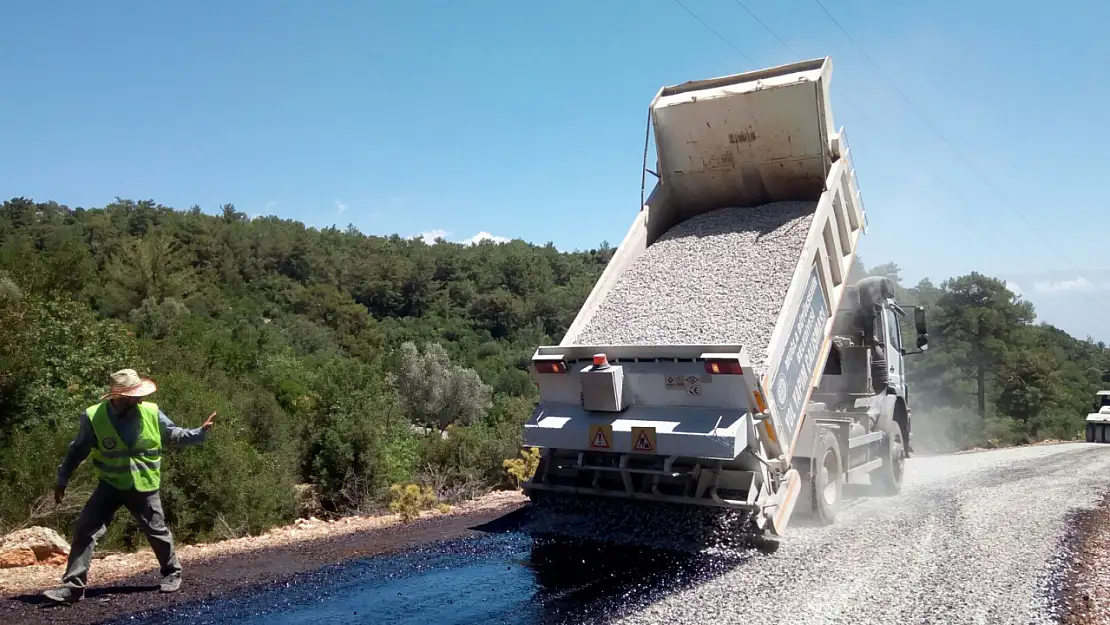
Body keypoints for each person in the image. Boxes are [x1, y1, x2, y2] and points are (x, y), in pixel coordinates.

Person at [42, 369, 217, 604]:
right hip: (110, 484)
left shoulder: (151, 412)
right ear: (120, 397)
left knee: (156, 531)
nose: (141, 398)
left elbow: (172, 434)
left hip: (143, 485)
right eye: (135, 395)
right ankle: (73, 588)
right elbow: (77, 450)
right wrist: (62, 478)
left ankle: (172, 573)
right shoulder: (93, 416)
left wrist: (199, 433)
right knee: (86, 529)